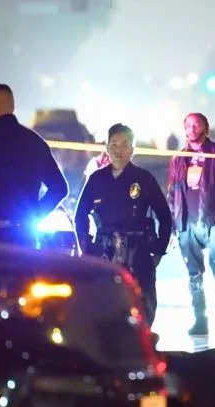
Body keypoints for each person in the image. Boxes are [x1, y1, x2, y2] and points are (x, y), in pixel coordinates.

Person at [74, 124, 172, 322]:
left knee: (142, 304)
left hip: (138, 251)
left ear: (132, 150)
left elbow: (164, 215)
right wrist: (86, 246)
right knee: (102, 303)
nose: (119, 150)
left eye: (125, 145)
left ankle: (141, 347)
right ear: (107, 148)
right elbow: (80, 215)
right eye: (114, 144)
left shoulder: (143, 179)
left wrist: (159, 250)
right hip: (104, 250)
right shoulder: (97, 179)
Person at [166, 113, 215, 336]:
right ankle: (200, 320)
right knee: (194, 274)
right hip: (186, 223)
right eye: (188, 125)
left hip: (214, 223)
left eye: (196, 124)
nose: (191, 128)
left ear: (206, 127)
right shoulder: (179, 158)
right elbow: (172, 193)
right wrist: (173, 227)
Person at [0, 84, 68, 246]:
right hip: (25, 238)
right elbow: (60, 188)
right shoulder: (35, 141)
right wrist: (35, 214)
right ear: (12, 107)